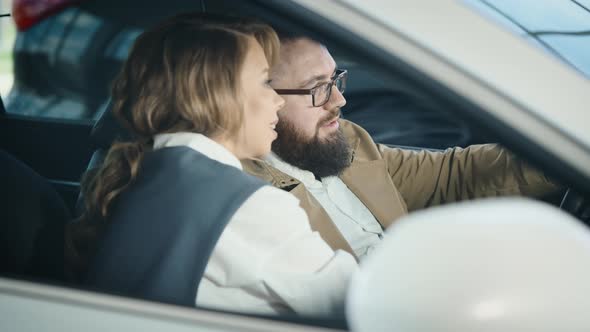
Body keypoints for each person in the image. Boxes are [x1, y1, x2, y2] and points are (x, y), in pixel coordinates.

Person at [66, 15, 356, 316]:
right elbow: (359, 305)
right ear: (217, 97)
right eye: (263, 82)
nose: (278, 101)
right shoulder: (249, 205)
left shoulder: (145, 173)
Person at [242, 35, 561, 260]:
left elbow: (449, 176)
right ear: (261, 98)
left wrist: (558, 154)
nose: (339, 101)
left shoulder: (348, 139)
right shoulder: (245, 194)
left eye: (335, 79)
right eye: (317, 88)